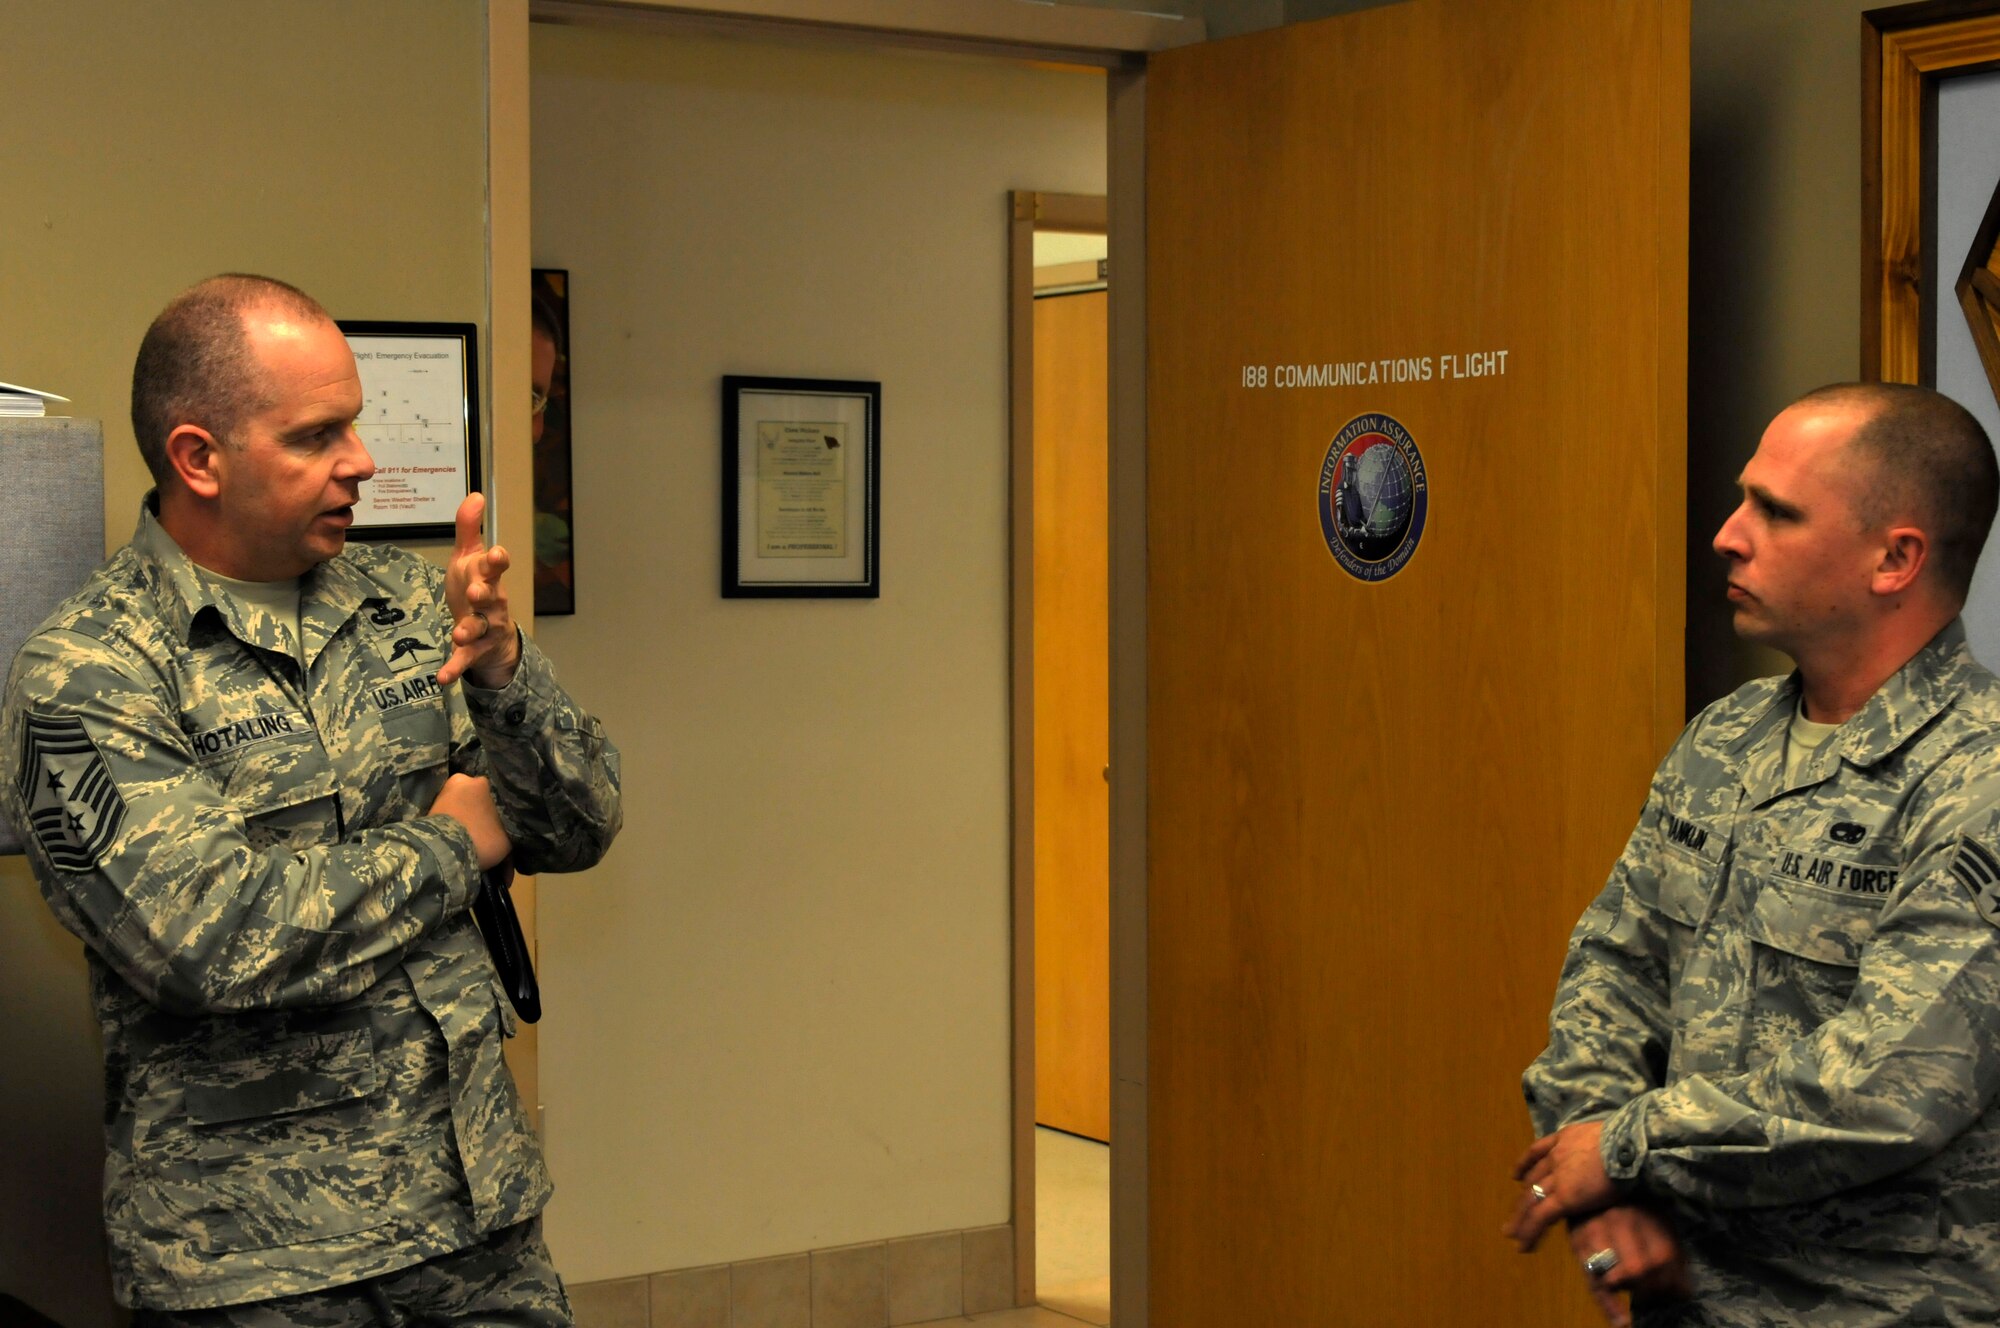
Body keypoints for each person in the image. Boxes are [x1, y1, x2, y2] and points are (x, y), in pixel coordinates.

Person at [0, 274, 622, 1322]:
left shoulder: (414, 604)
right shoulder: (92, 669)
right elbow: (208, 937)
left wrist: (503, 673)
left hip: (476, 1222)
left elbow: (579, 821)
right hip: (255, 1261)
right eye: (315, 434)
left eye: (358, 424)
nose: (362, 461)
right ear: (199, 456)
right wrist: (449, 846)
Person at [1507, 382, 2000, 1327]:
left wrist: (1621, 1148)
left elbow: (1890, 1088)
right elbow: (1616, 967)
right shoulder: (1726, 738)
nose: (1729, 535)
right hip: (1683, 1296)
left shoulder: (1976, 777)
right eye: (1744, 499)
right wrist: (1609, 1194)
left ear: (1895, 559)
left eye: (1774, 512)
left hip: (1871, 1306)